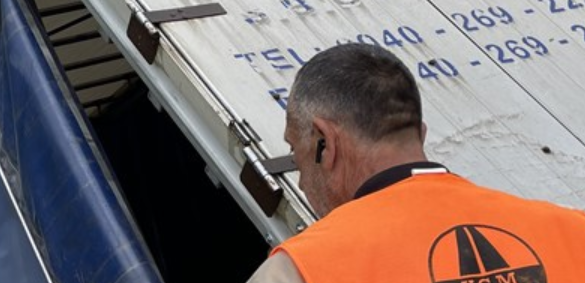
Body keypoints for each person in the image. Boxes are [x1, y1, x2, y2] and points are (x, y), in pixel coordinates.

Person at [247, 43, 585, 283]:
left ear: (326, 142)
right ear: (419, 135)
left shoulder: (305, 269)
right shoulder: (573, 233)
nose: (303, 183)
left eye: (298, 155)